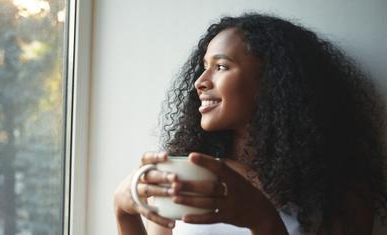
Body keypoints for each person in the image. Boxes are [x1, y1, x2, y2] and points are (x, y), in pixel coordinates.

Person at [114, 13, 387, 235]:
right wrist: (123, 212)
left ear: (272, 81)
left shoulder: (341, 191)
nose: (200, 82)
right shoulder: (186, 174)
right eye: (204, 66)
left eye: (221, 66)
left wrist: (262, 219)